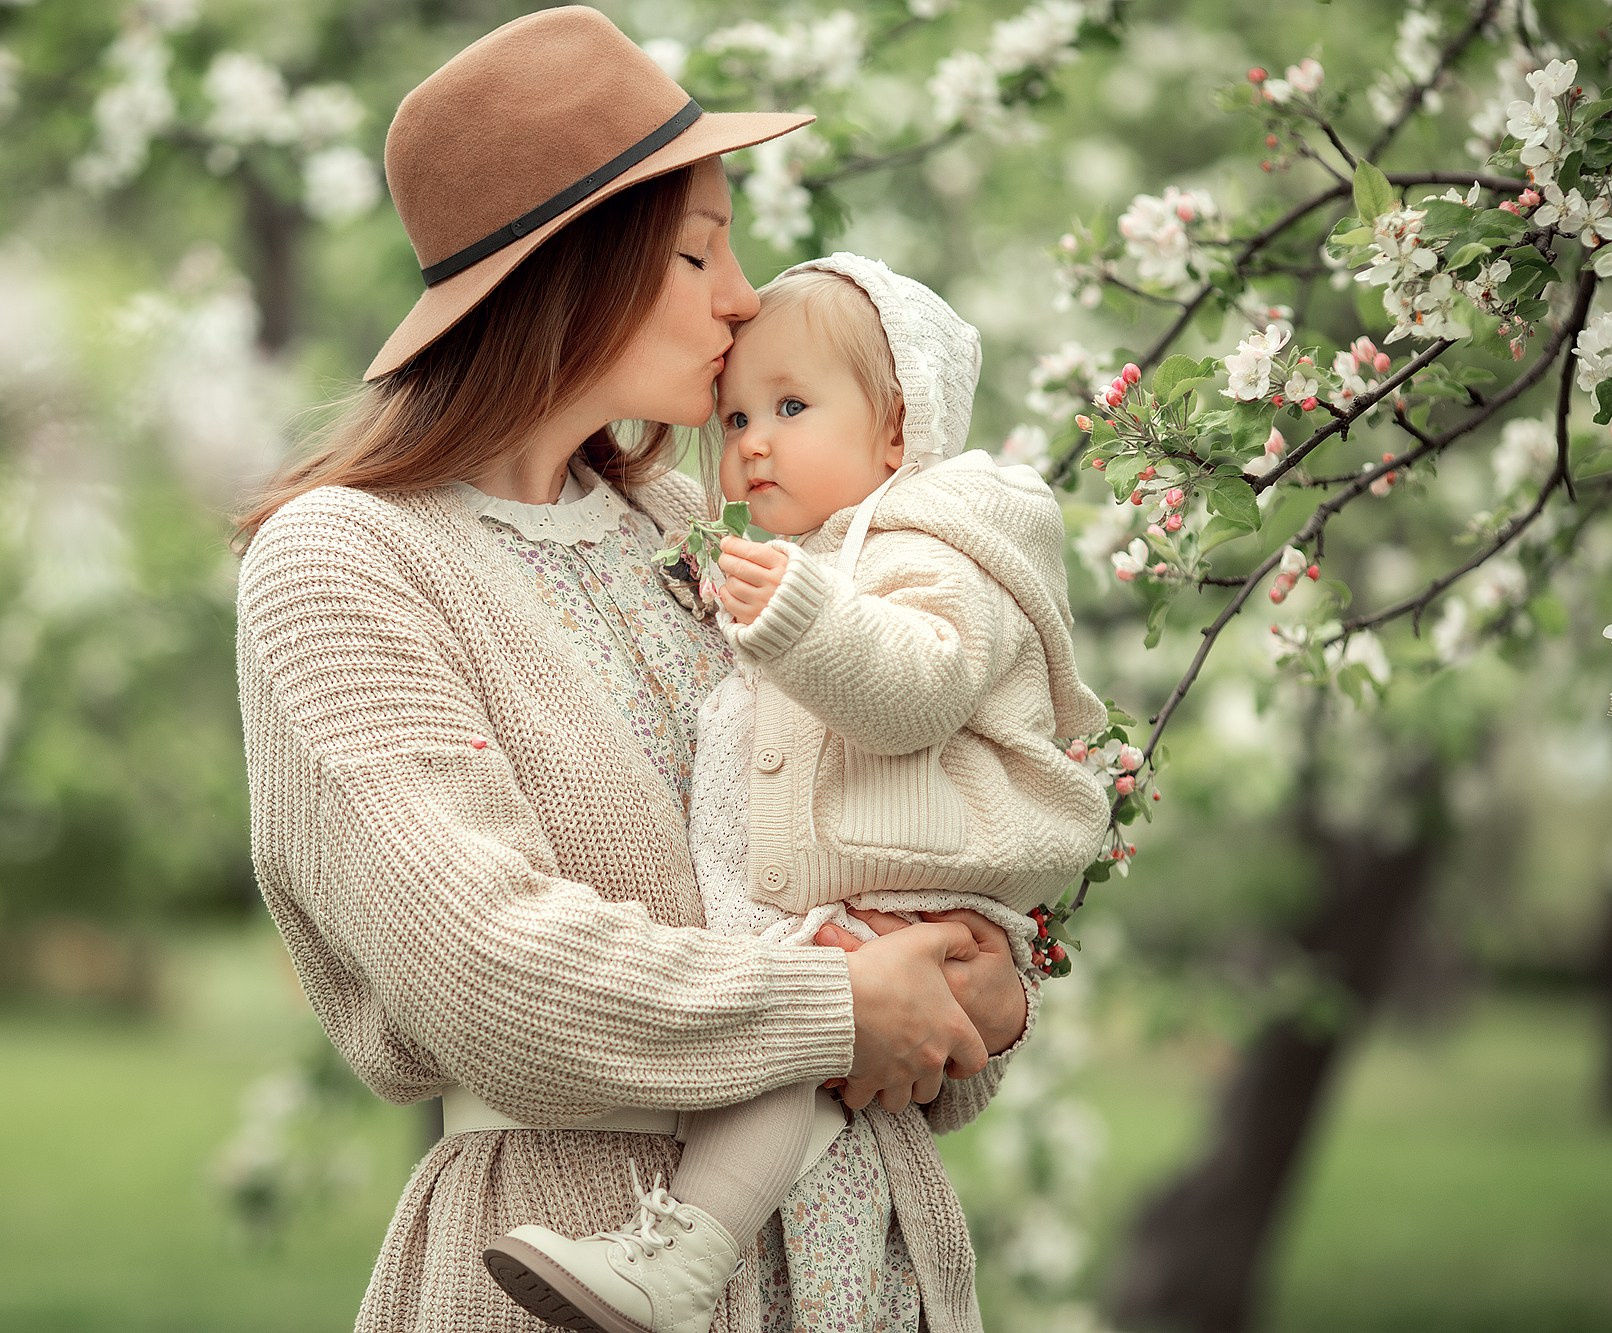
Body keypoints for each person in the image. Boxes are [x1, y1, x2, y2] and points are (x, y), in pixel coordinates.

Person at [233, 9, 1035, 1331]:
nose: (742, 296)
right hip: (573, 1250)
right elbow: (482, 971)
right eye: (698, 250)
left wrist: (980, 982)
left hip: (861, 1266)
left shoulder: (697, 540)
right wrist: (837, 1005)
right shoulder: (345, 565)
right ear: (570, 265)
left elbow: (889, 827)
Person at [481, 256, 1111, 1332]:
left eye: (788, 406)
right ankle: (683, 1256)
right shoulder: (805, 552)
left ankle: (682, 1253)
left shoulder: (938, 543)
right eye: (732, 418)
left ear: (898, 430)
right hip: (841, 932)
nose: (750, 442)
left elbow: (915, 686)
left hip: (904, 903)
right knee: (807, 1029)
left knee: (799, 1043)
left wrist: (799, 620)